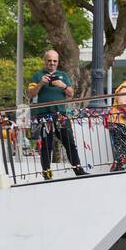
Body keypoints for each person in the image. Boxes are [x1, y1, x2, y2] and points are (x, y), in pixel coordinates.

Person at [27, 50, 87, 180]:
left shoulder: (63, 75)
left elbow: (71, 93)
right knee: (46, 145)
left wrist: (63, 86)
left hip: (60, 115)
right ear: (45, 61)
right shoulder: (38, 75)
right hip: (43, 116)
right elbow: (30, 94)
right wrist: (41, 83)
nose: (52, 63)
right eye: (49, 60)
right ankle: (47, 173)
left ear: (58, 62)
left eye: (54, 61)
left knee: (69, 142)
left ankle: (78, 169)